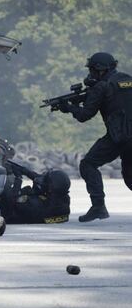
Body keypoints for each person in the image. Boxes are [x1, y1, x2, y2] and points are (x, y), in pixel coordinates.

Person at [57, 52, 132, 222]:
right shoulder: (127, 79)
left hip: (119, 137)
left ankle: (98, 207)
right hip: (125, 136)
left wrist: (69, 108)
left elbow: (84, 115)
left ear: (100, 70)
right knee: (130, 177)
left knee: (88, 164)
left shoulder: (101, 86)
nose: (90, 74)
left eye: (91, 70)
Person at [0, 161, 71, 224]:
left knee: (5, 189)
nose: (43, 181)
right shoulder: (62, 201)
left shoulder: (36, 205)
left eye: (46, 181)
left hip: (6, 214)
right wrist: (25, 171)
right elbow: (42, 180)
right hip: (28, 210)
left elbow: (11, 199)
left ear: (50, 188)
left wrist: (18, 179)